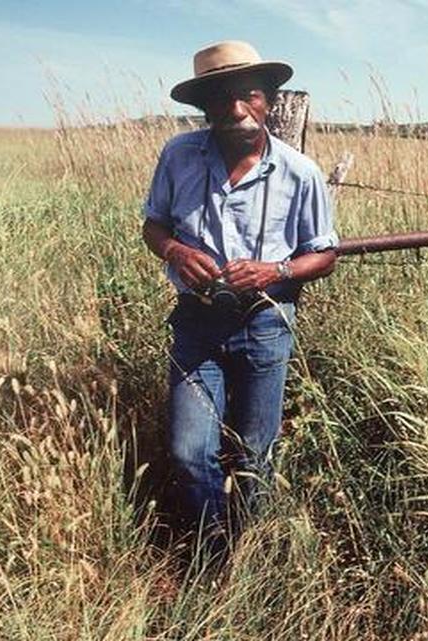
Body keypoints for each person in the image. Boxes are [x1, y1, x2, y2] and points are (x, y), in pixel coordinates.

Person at [141, 41, 338, 552]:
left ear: (269, 101)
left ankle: (250, 558)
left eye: (248, 95)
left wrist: (275, 270)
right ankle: (208, 556)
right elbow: (154, 226)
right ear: (204, 108)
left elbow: (324, 254)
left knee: (255, 456)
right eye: (221, 99)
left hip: (265, 325)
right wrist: (175, 253)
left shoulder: (301, 173)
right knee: (189, 452)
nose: (236, 109)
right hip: (195, 324)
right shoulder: (178, 155)